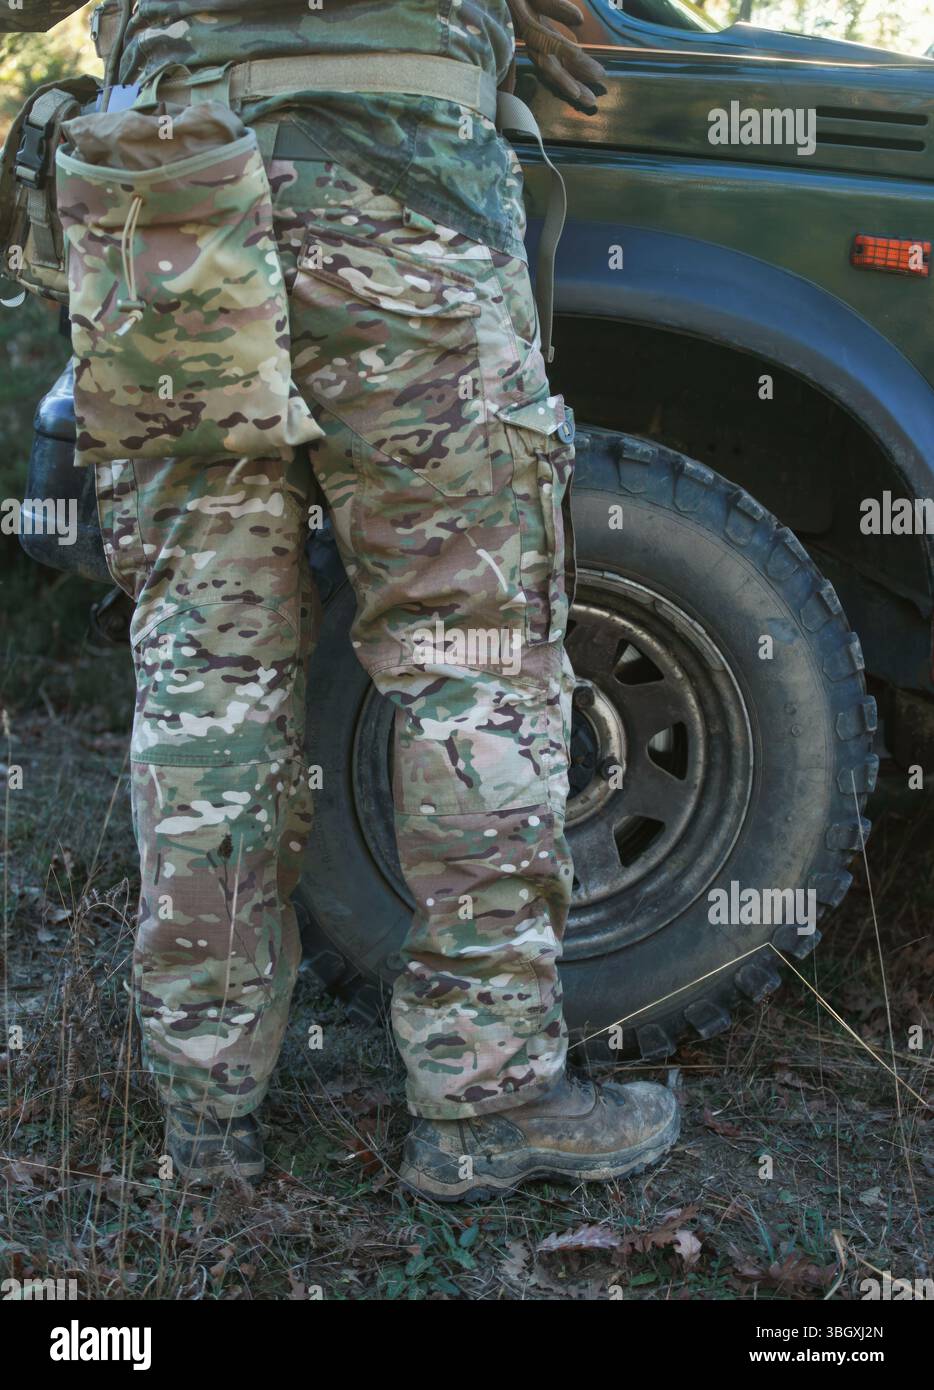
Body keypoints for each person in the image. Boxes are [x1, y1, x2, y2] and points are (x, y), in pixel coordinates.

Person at [90, 0, 680, 1200]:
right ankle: (486, 1102)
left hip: (173, 189)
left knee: (211, 673)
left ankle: (205, 1120)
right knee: (471, 655)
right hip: (400, 175)